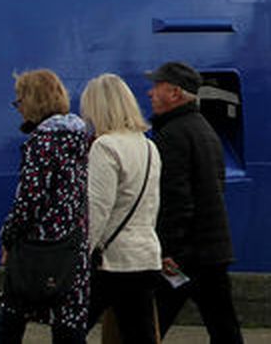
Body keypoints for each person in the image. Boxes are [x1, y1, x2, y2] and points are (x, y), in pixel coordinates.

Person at [148, 60, 244, 343]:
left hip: (185, 255)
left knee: (150, 324)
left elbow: (175, 200)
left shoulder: (172, 136)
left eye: (157, 87)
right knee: (224, 327)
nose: (150, 93)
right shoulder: (206, 131)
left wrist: (167, 250)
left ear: (175, 93)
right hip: (213, 250)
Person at [0, 68, 89, 344]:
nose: (18, 108)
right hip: (73, 249)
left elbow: (30, 200)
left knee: (8, 322)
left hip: (38, 250)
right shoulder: (78, 137)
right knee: (69, 326)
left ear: (33, 100)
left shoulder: (43, 142)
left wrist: (8, 237)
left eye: (19, 100)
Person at [81, 73, 163, 343]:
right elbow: (151, 206)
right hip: (146, 255)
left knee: (71, 327)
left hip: (113, 262)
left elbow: (97, 209)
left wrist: (81, 256)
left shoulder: (105, 147)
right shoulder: (150, 147)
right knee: (140, 333)